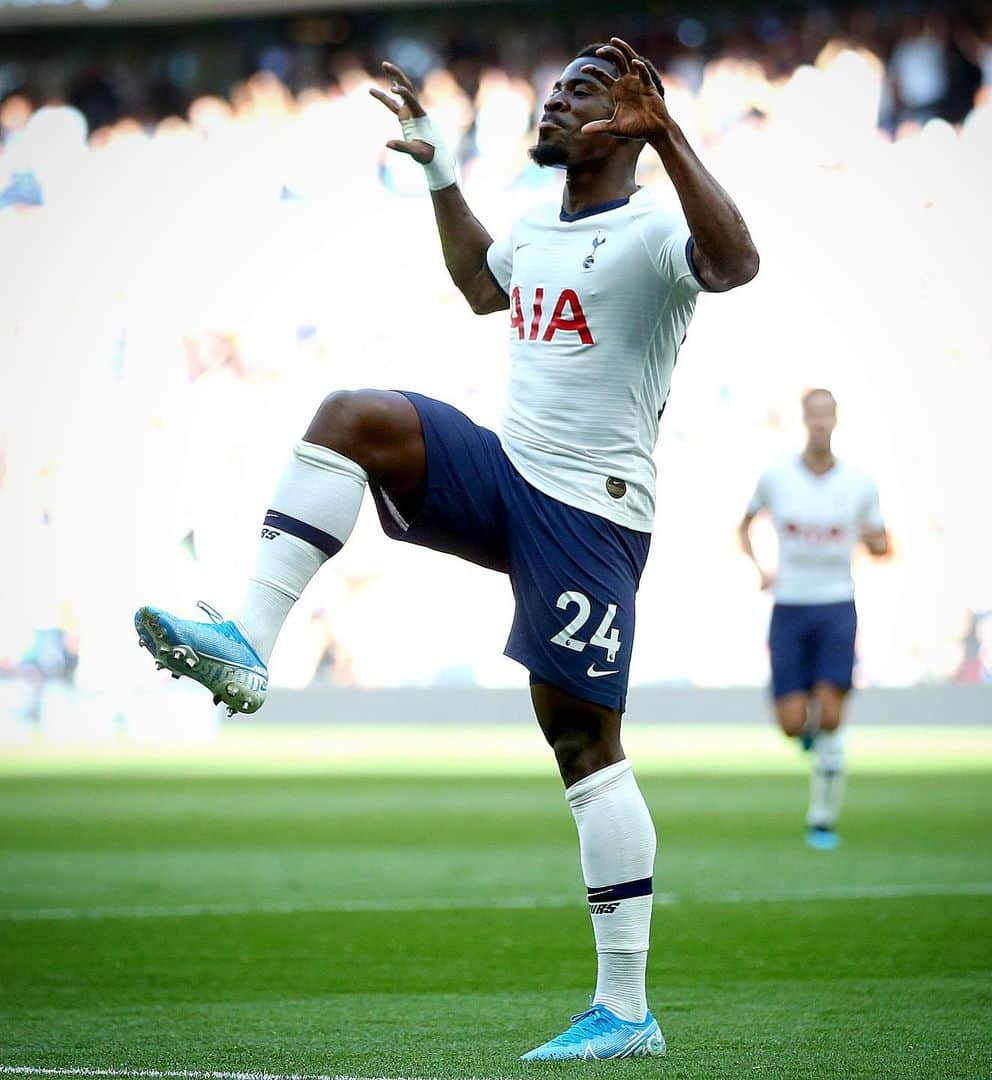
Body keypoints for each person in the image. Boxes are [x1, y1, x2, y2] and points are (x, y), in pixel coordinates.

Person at [134, 37, 758, 1060]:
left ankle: (628, 1009)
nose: (553, 105)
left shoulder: (652, 230)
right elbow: (481, 283)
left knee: (583, 749)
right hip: (511, 474)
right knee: (353, 418)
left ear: (625, 120)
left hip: (591, 517)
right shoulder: (540, 226)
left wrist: (672, 134)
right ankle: (248, 637)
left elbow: (736, 263)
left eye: (579, 94)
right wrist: (438, 173)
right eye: (554, 91)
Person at [738, 389, 889, 851]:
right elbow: (744, 525)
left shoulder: (860, 484)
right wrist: (761, 568)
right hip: (789, 605)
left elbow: (883, 544)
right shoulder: (777, 476)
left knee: (831, 715)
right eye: (814, 416)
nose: (820, 423)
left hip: (837, 605)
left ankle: (821, 818)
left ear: (836, 420)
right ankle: (809, 740)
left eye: (827, 416)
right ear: (805, 420)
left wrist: (872, 541)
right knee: (791, 722)